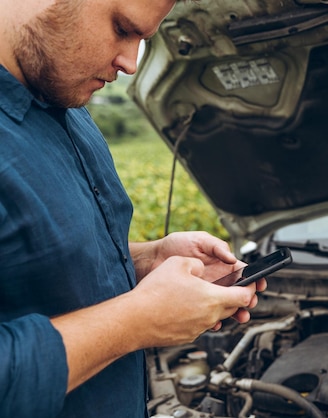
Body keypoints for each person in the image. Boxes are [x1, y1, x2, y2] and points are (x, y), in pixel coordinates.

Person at [0, 0, 266, 417]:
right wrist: (136, 321)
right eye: (122, 28)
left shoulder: (66, 100)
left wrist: (147, 258)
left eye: (144, 40)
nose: (130, 63)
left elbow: (32, 261)